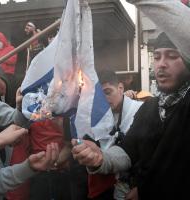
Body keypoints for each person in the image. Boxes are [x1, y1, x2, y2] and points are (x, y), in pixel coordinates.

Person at [72, 32, 190, 200]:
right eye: (156, 57)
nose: (162, 64)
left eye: (172, 56)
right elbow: (128, 150)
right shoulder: (149, 108)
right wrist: (100, 157)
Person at [86, 70, 143, 200]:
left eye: (108, 92)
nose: (104, 99)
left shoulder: (140, 110)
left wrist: (142, 186)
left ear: (120, 88)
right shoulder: (97, 120)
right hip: (108, 186)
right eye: (100, 94)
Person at [28, 117, 72, 200]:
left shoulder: (66, 112)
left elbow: (71, 145)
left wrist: (60, 124)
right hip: (37, 173)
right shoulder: (32, 113)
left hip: (61, 171)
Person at [0, 32, 18, 107]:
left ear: (3, 40)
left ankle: (12, 110)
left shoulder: (11, 48)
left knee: (10, 95)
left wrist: (0, 58)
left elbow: (13, 61)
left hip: (9, 75)